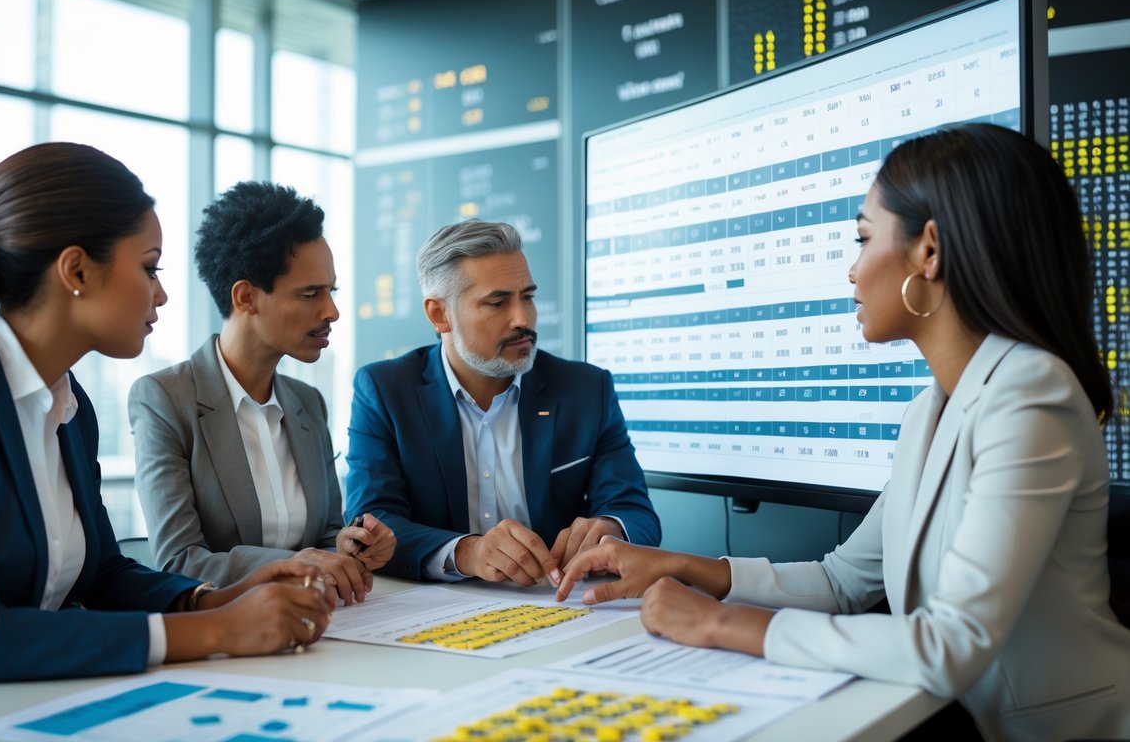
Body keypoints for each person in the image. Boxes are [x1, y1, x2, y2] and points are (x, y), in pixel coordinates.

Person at [556, 123, 1130, 742]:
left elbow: (952, 643)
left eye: (862, 239)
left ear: (929, 252)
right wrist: (683, 566)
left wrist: (722, 625)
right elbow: (843, 582)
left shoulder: (1030, 392)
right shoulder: (930, 410)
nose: (852, 271)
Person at [0, 144, 335, 692]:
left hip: (20, 699)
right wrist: (217, 630)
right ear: (77, 270)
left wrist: (217, 598)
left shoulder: (70, 406)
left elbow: (103, 573)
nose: (162, 292)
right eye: (148, 267)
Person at [344, 219, 661, 585]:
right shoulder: (384, 390)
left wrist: (610, 528)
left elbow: (636, 512)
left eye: (527, 296)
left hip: (561, 607)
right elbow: (373, 522)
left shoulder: (586, 389)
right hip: (436, 613)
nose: (523, 319)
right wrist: (467, 552)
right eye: (497, 303)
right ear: (439, 314)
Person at [129, 181, 394, 606]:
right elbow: (178, 561)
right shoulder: (165, 398)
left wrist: (350, 548)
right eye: (311, 294)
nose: (332, 311)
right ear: (246, 296)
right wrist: (297, 564)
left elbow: (325, 536)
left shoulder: (308, 402)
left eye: (331, 291)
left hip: (321, 625)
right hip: (231, 632)